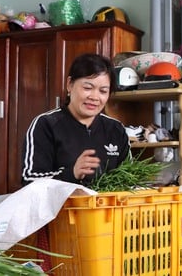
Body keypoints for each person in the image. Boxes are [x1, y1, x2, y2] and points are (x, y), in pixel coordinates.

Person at [21, 53, 130, 185]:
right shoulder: (46, 125)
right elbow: (29, 180)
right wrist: (72, 173)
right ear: (69, 85)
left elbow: (129, 178)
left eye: (103, 91)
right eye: (87, 88)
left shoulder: (115, 129)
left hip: (105, 205)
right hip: (63, 205)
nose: (95, 97)